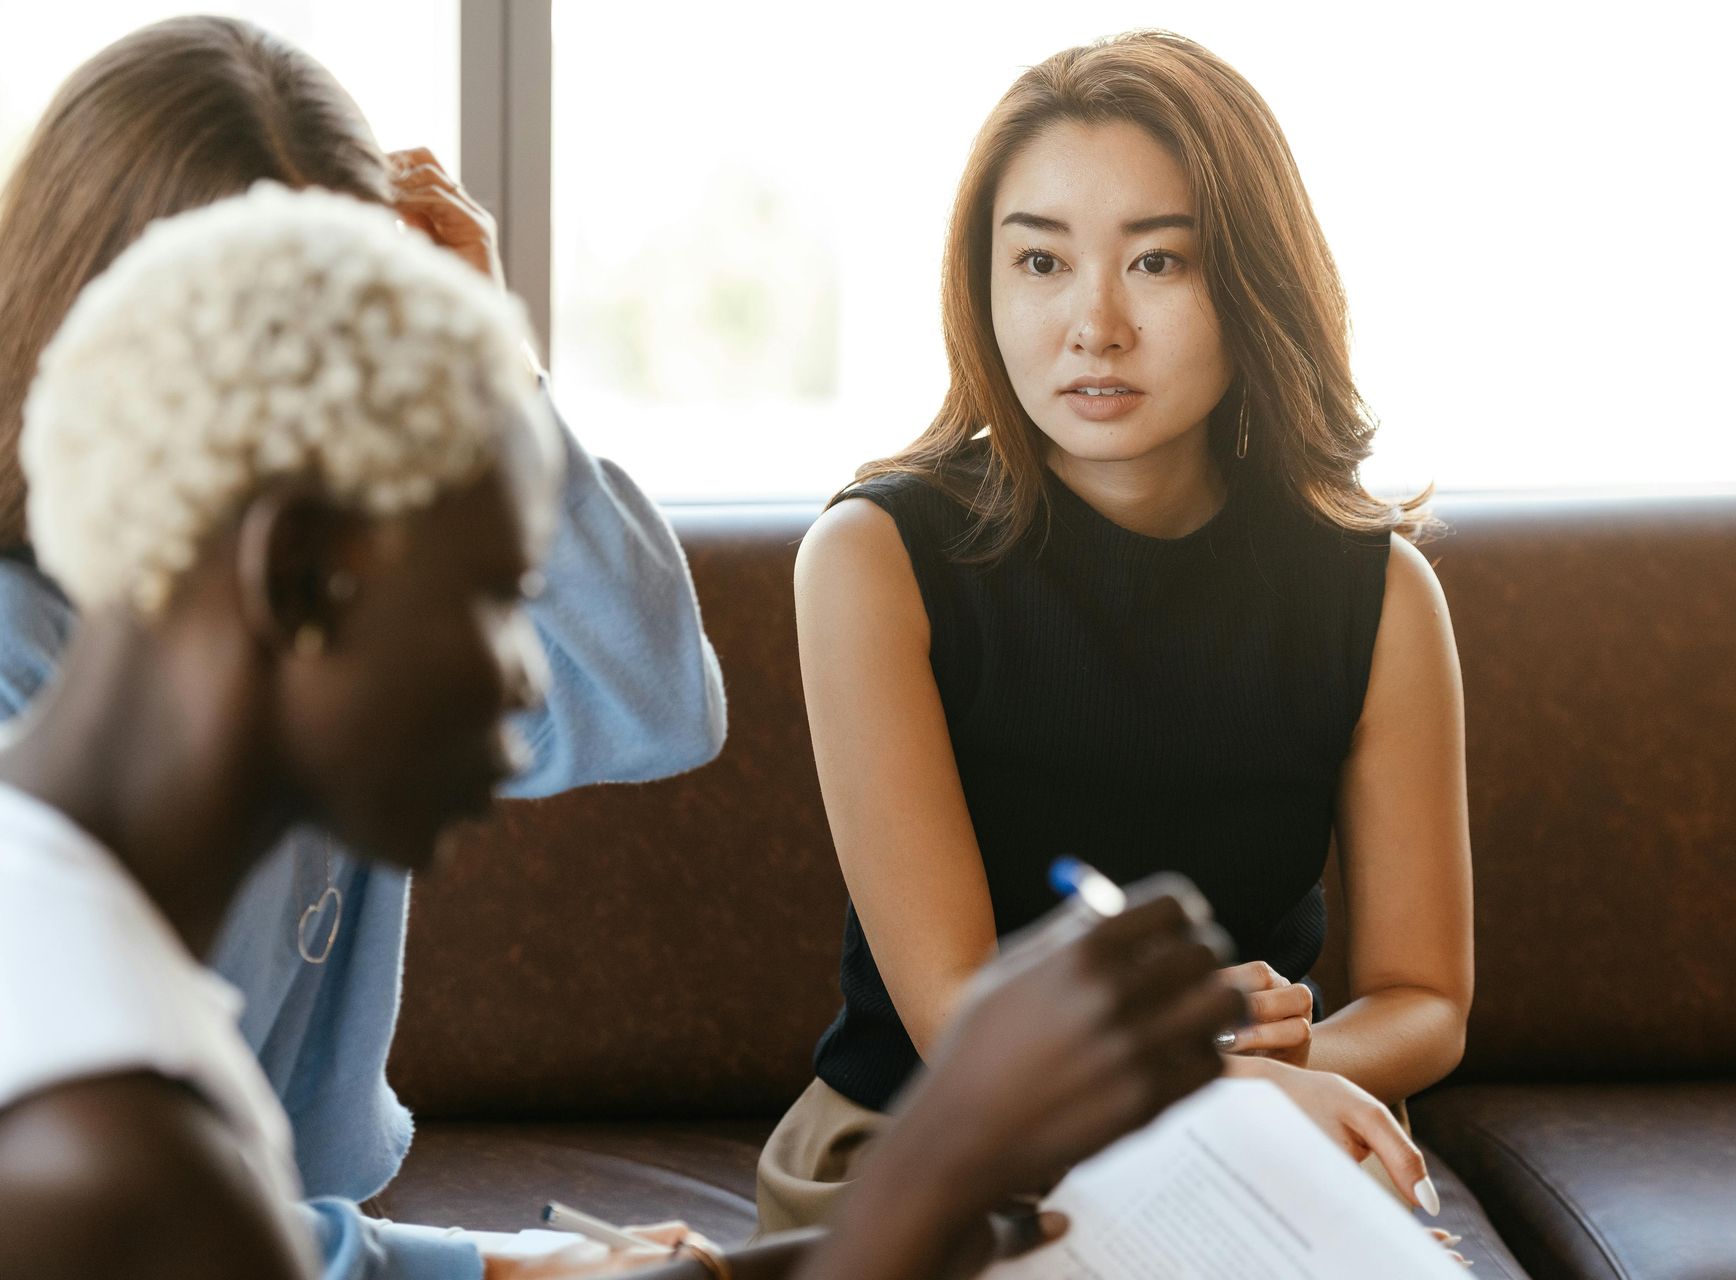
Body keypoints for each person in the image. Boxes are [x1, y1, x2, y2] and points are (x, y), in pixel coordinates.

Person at [0, 183, 1246, 1280]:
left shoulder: (78, 959)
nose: (520, 695)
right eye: (497, 602)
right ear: (306, 580)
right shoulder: (101, 1150)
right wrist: (946, 1147)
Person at [0, 17, 723, 1274]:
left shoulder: (325, 623)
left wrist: (486, 364)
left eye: (365, 314)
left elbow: (654, 700)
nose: (333, 389)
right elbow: (166, 1216)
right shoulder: (105, 1124)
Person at [757, 29, 1473, 1233]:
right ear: (982, 286)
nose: (1093, 323)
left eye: (1158, 263)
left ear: (1252, 283)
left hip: (1237, 1136)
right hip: (931, 1140)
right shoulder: (873, 559)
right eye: (1039, 261)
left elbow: (1424, 997)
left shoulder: (1379, 592)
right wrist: (1220, 1077)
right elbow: (956, 1019)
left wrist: (1272, 1086)